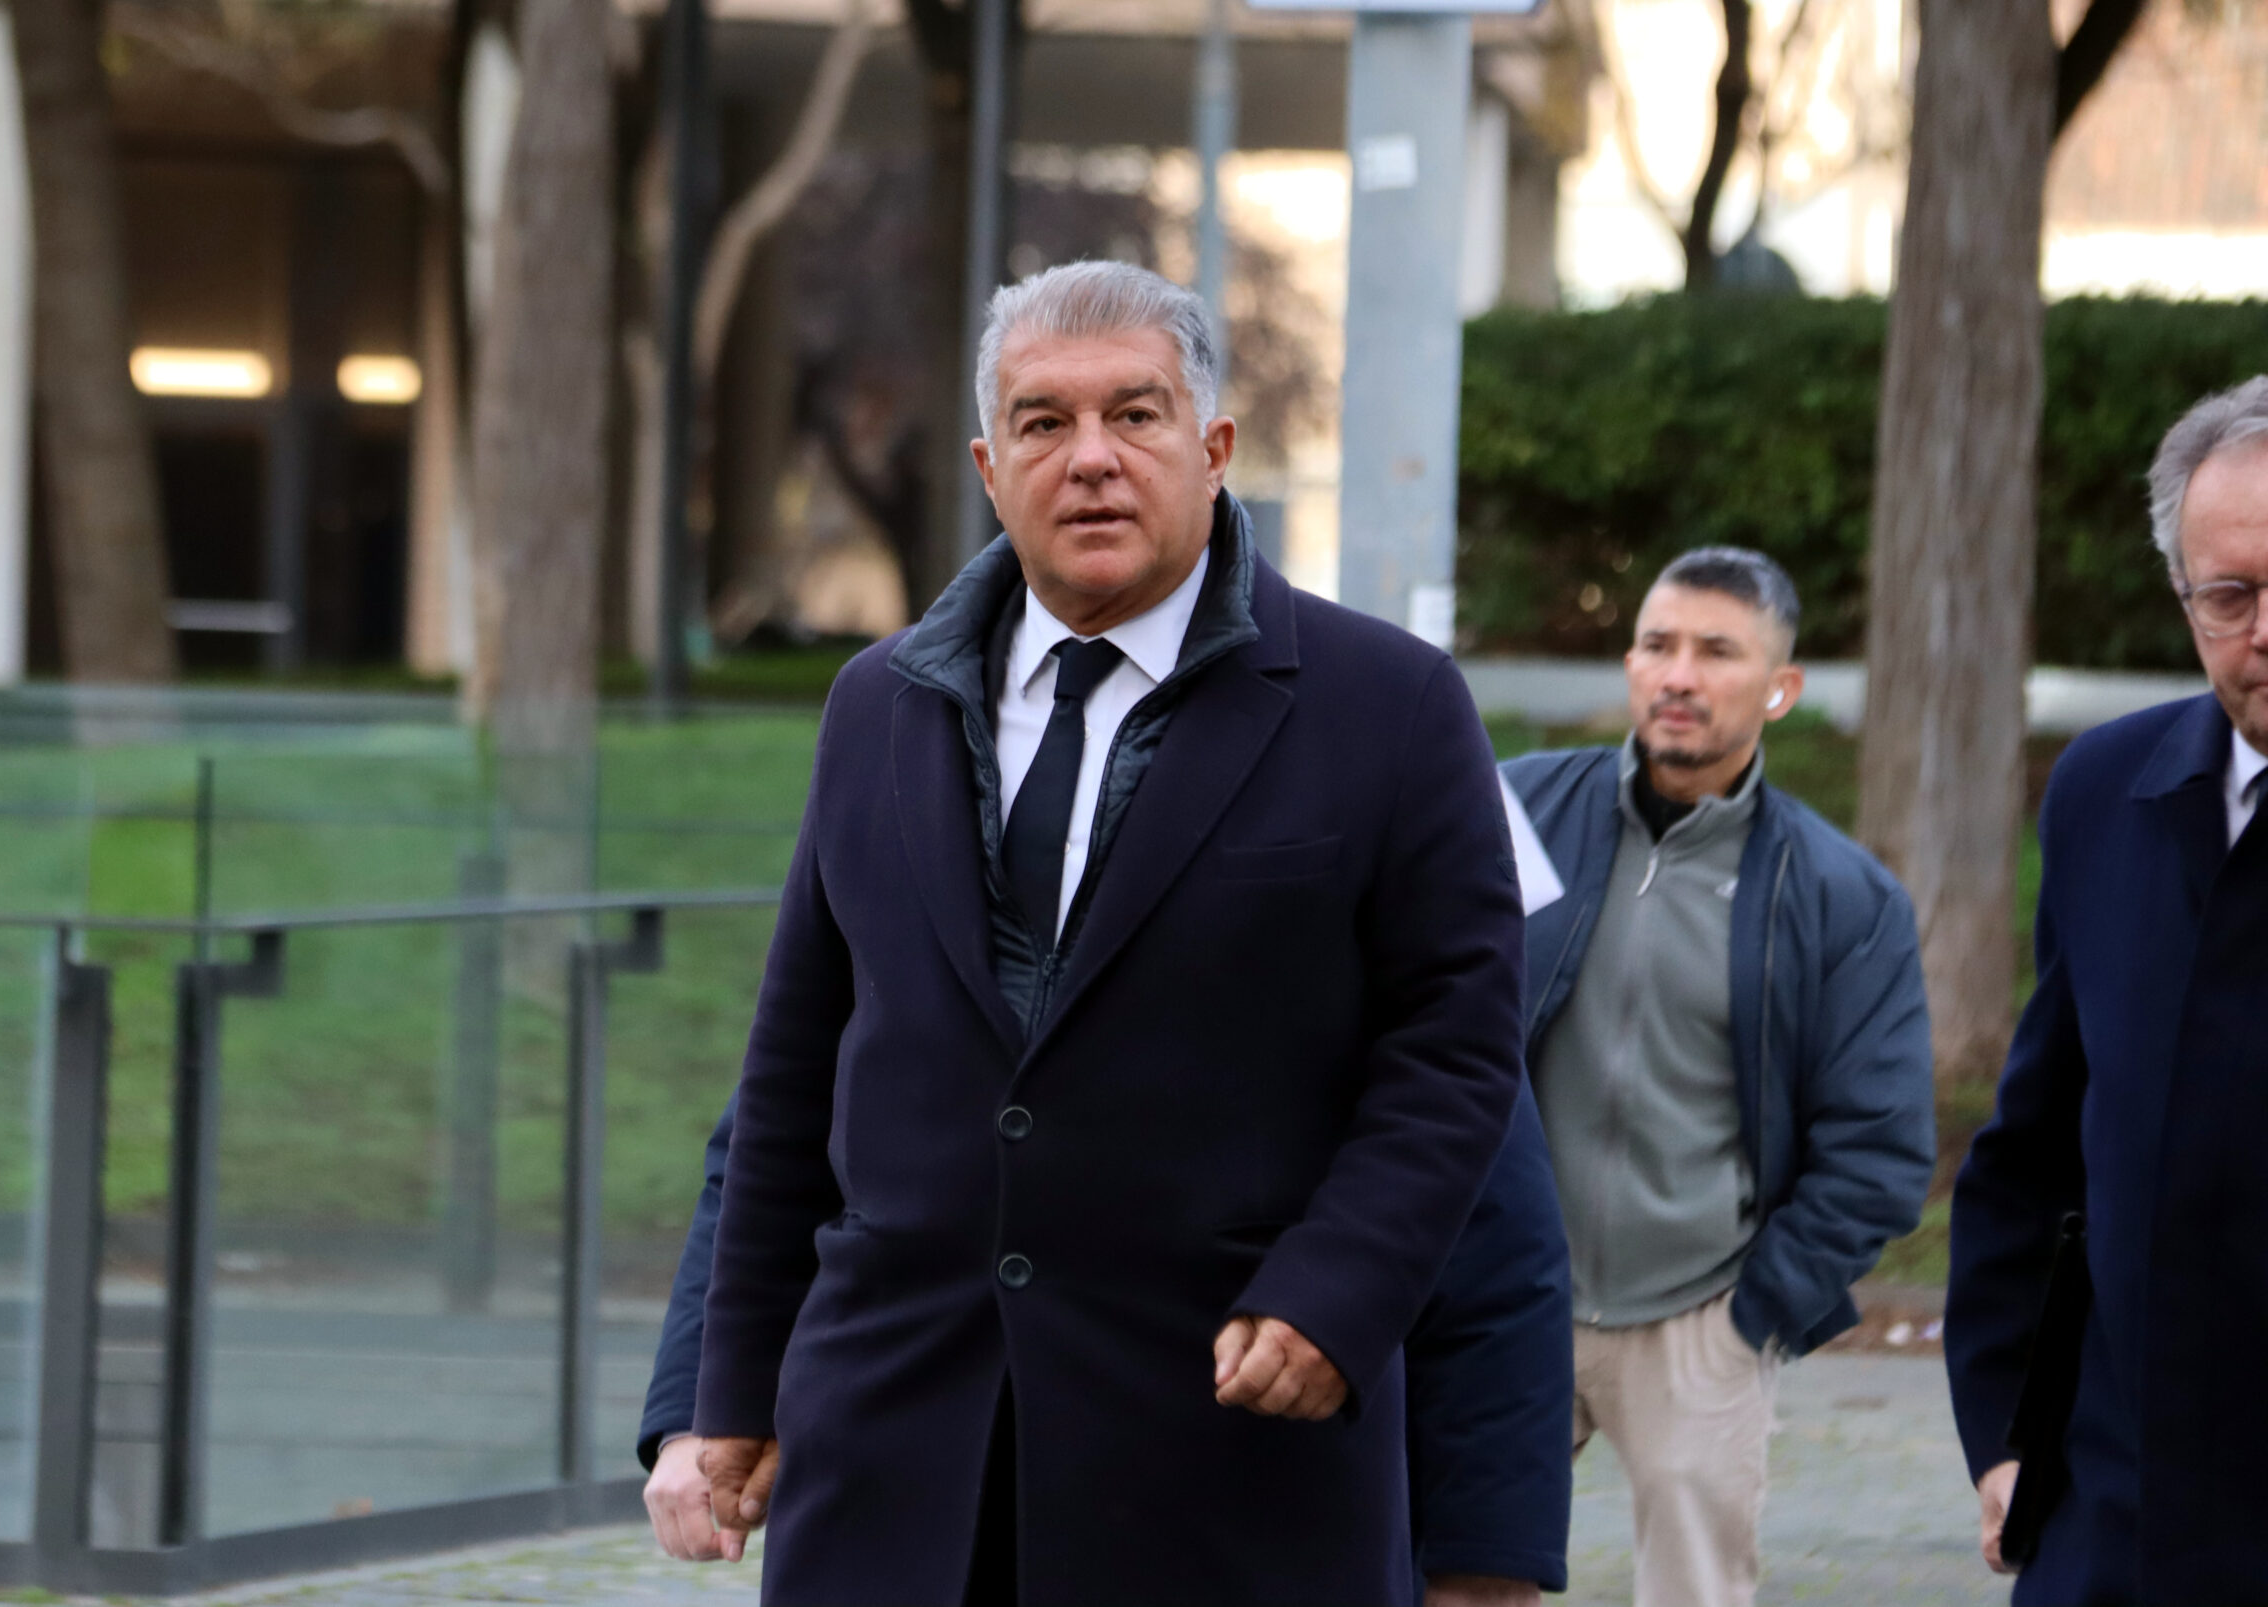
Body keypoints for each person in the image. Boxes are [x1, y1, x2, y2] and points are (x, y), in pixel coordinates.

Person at [686, 261, 1529, 1605]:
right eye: (1043, 422)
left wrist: (1337, 1290)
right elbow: (796, 1064)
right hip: (896, 1468)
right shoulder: (874, 707)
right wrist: (729, 1386)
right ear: (989, 466)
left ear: (1214, 447)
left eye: (1134, 415)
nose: (1090, 458)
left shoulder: (1391, 705)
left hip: (1224, 1459)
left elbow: (1456, 1049)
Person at [638, 1084, 1576, 1604]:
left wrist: (1487, 1556)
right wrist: (700, 1410)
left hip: (1226, 1510)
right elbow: (772, 1137)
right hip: (903, 1506)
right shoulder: (930, 807)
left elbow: (1495, 1240)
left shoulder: (1352, 824)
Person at [1502, 547, 1935, 1607]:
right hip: (1512, 1293)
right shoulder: (1517, 811)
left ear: (1779, 688)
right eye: (1658, 645)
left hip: (1701, 1315)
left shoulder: (1838, 894)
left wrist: (1759, 1307)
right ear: (1630, 664)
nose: (1679, 676)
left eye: (1717, 652)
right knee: (1445, 1573)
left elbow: (1879, 1142)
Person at [1946, 377, 2268, 1603]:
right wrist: (2006, 1431)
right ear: (2180, 595)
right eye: (2228, 595)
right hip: (2114, 1526)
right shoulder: (2103, 790)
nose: (2262, 631)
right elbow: (2031, 1151)